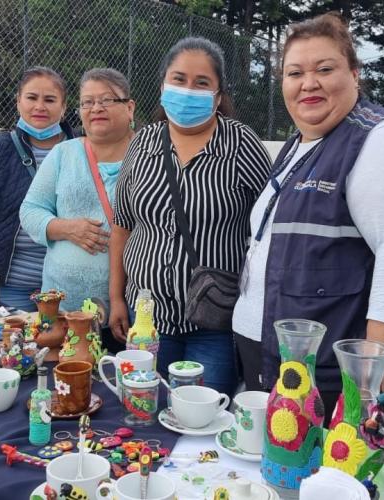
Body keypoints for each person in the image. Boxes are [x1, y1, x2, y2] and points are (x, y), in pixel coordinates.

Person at [232, 13, 384, 432]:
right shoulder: (301, 144)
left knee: (349, 467)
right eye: (295, 73)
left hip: (340, 377)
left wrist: (377, 356)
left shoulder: (382, 141)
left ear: (355, 74)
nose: (308, 83)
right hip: (287, 363)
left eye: (324, 69)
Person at [108, 37, 271, 396]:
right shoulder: (143, 142)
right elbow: (122, 225)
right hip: (146, 317)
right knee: (144, 409)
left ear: (218, 94)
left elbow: (269, 228)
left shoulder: (241, 144)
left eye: (201, 83)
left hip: (213, 324)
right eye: (179, 79)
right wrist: (116, 298)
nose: (188, 91)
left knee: (202, 416)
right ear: (163, 84)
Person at [0, 67, 74, 311]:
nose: (40, 106)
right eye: (32, 97)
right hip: (9, 286)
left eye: (50, 100)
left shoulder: (82, 150)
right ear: (18, 101)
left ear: (64, 107)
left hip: (67, 286)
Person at [20, 68, 135, 315]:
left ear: (129, 108)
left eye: (107, 100)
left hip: (134, 306)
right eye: (87, 102)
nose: (96, 108)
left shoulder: (150, 156)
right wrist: (66, 228)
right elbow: (30, 210)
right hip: (62, 308)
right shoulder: (64, 154)